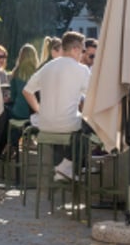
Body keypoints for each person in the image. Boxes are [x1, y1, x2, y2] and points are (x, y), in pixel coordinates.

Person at [23, 31, 91, 182]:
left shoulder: (47, 67)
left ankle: (63, 165)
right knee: (87, 126)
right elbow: (92, 97)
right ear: (75, 49)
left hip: (44, 124)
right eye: (82, 50)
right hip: (66, 125)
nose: (83, 54)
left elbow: (27, 91)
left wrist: (40, 110)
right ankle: (74, 166)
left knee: (70, 123)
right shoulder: (82, 70)